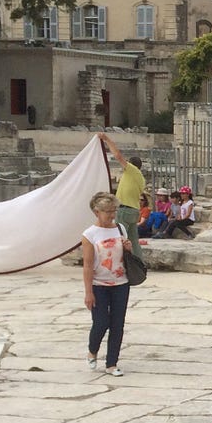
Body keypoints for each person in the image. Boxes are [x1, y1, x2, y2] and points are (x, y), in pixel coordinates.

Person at [81, 191, 132, 376]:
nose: (111, 215)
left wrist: (128, 248)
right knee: (101, 322)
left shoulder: (120, 228)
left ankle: (112, 363)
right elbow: (87, 265)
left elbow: (126, 255)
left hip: (121, 283)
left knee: (118, 324)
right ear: (97, 212)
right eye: (107, 211)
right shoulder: (89, 234)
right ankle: (92, 350)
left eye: (114, 211)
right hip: (99, 284)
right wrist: (88, 292)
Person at [98, 132, 145, 263]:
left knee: (117, 236)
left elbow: (118, 156)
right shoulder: (140, 178)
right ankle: (139, 263)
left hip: (125, 209)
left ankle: (117, 261)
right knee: (133, 240)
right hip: (134, 210)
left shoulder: (132, 171)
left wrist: (106, 139)